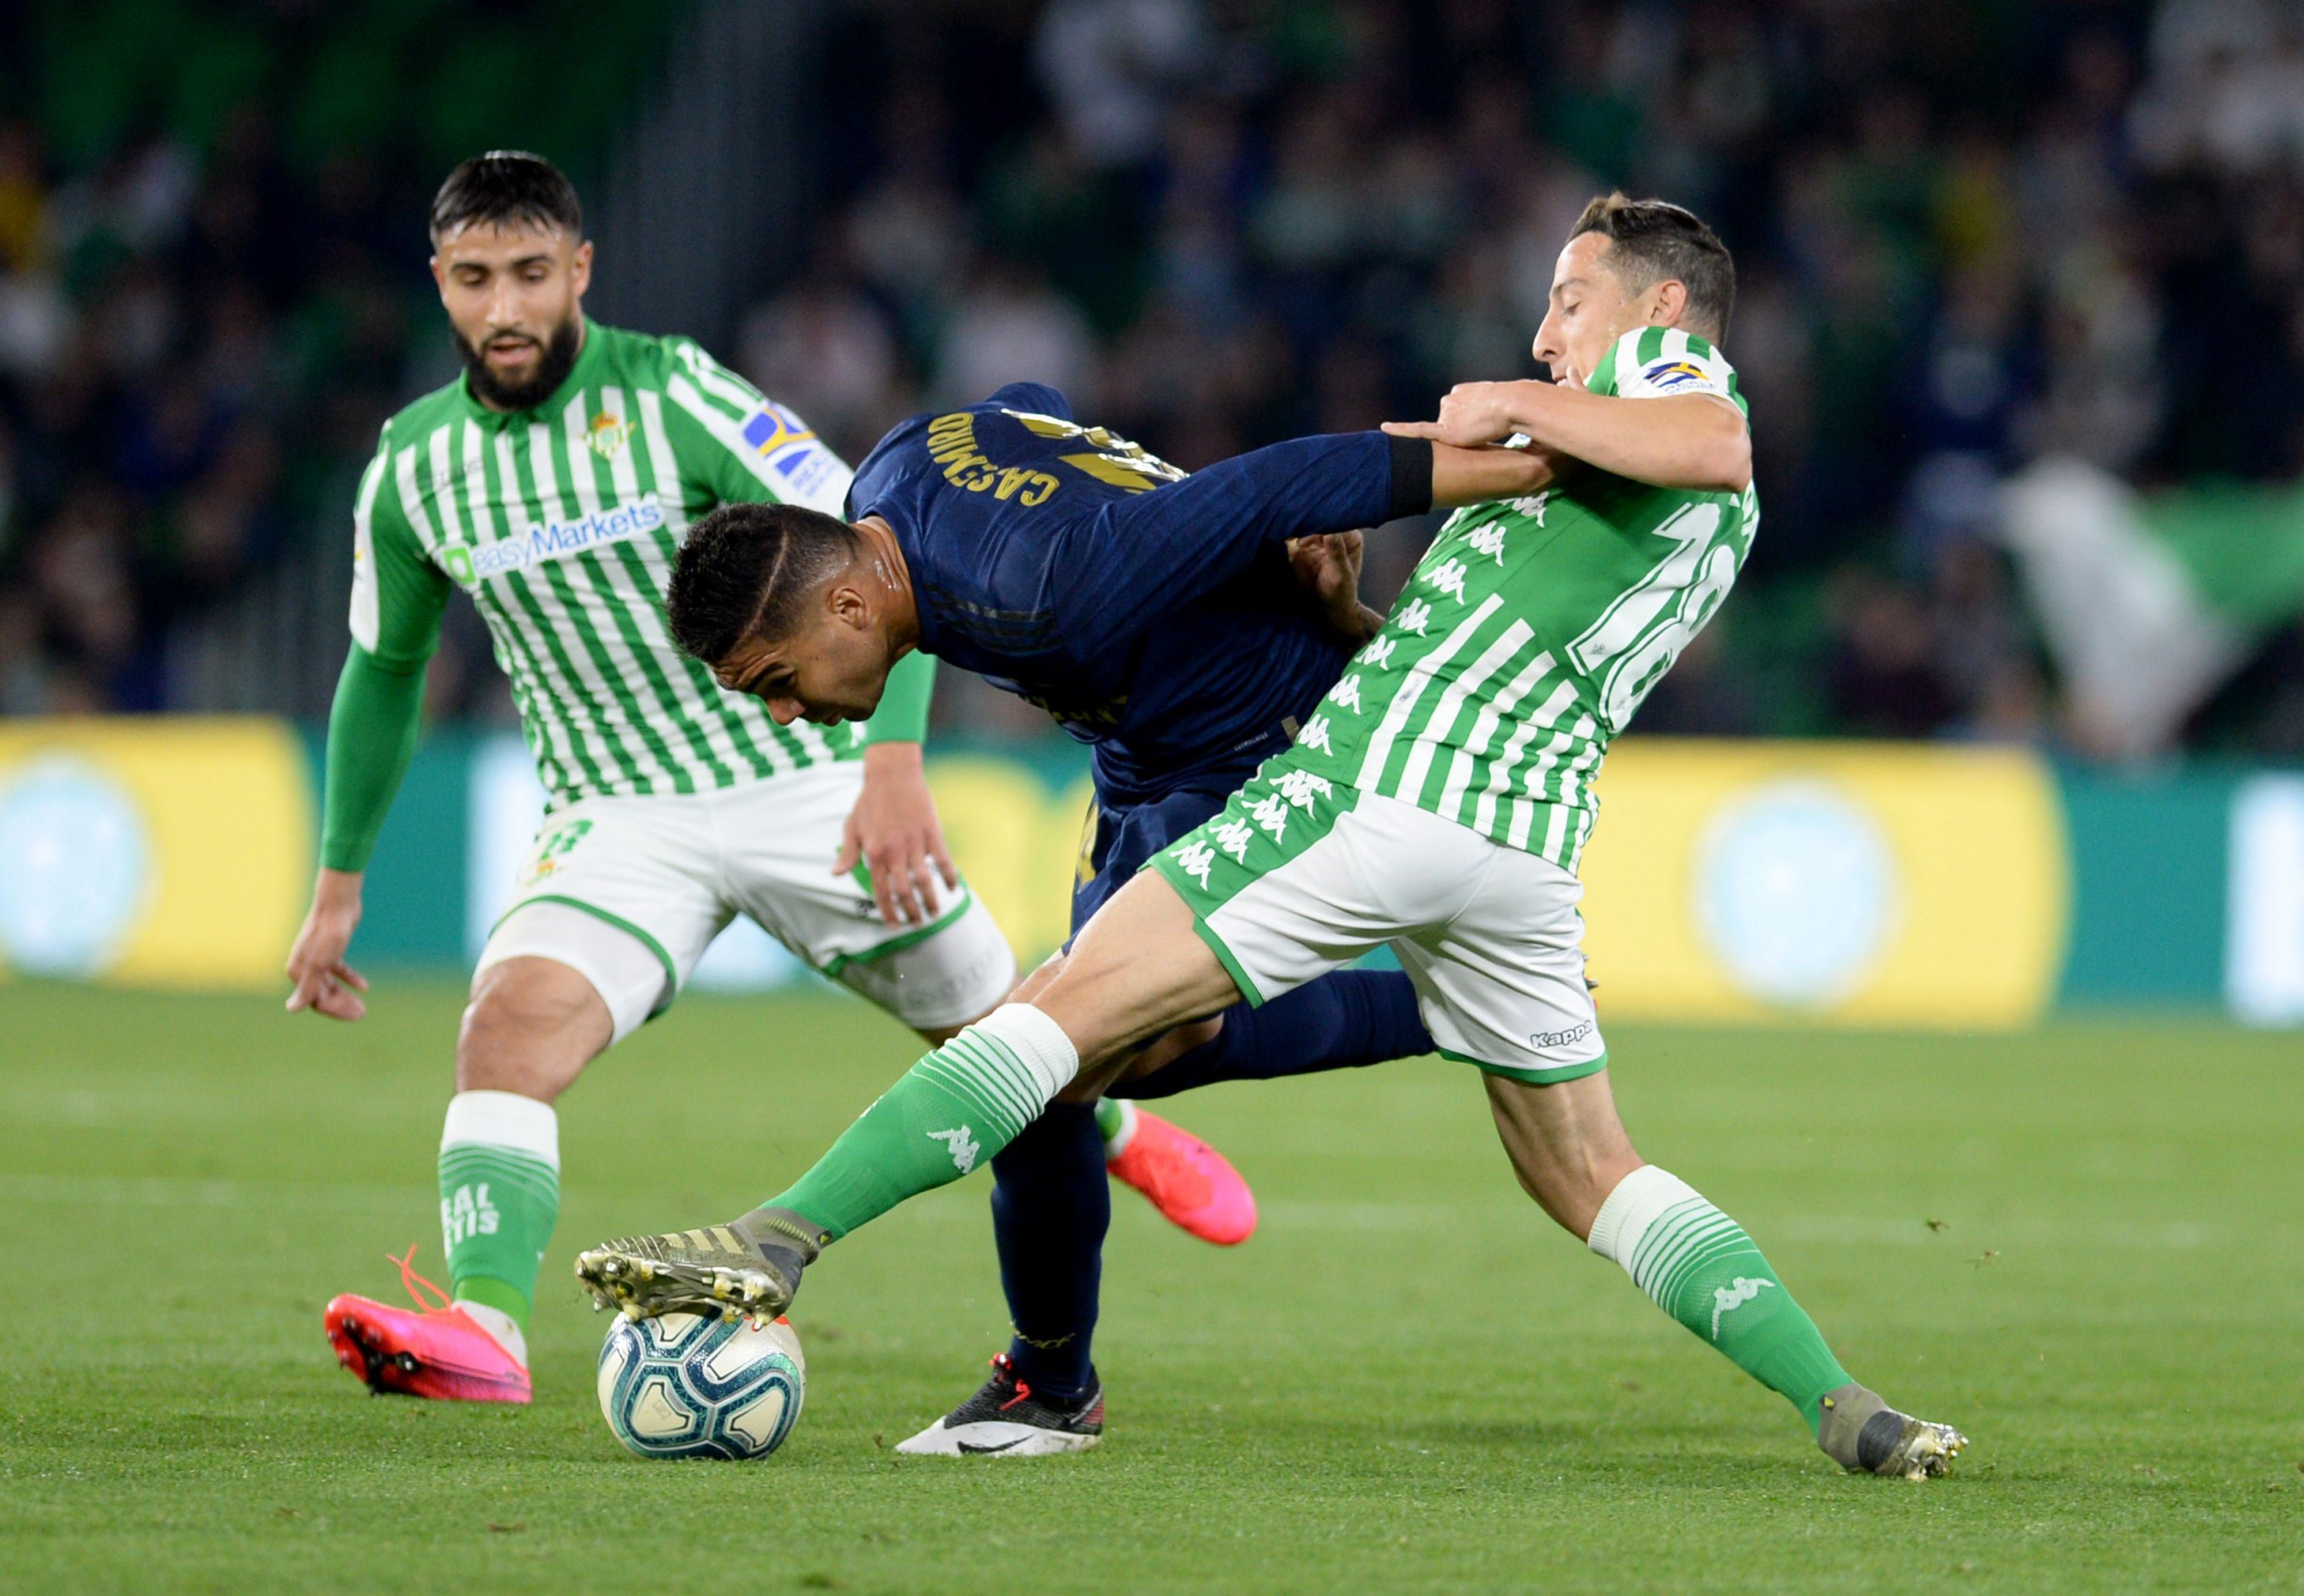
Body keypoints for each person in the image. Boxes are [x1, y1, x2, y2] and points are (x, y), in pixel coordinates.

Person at [579, 194, 1966, 1478]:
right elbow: (1454, 627)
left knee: (1049, 1022)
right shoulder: (1600, 481)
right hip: (1518, 841)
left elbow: (1710, 437)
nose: (1547, 336)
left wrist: (1495, 412)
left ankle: (777, 1240)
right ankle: (1845, 1404)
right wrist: (1351, 599)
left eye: (1570, 303)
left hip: (1375, 787)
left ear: (1661, 311)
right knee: (1589, 1174)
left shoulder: (1657, 398)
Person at [286, 152, 1233, 1406]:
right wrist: (338, 884)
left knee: (1014, 1039)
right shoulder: (413, 468)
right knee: (504, 1033)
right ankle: (486, 1328)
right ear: (439, 282)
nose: (503, 307)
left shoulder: (673, 395)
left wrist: (891, 763)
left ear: (579, 269)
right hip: (615, 816)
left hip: (806, 782)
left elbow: (873, 554)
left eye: (529, 273)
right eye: (474, 279)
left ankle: (1113, 1128)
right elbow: (383, 671)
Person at [658, 378, 1479, 1454]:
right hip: (1146, 756)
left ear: (848, 609)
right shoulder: (897, 468)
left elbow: (1274, 483)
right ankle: (1447, 1009)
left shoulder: (1042, 590)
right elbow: (1026, 410)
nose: (781, 711)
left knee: (1053, 1059)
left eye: (776, 678)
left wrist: (1513, 459)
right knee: (1109, 1057)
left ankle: (1033, 1377)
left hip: (1255, 742)